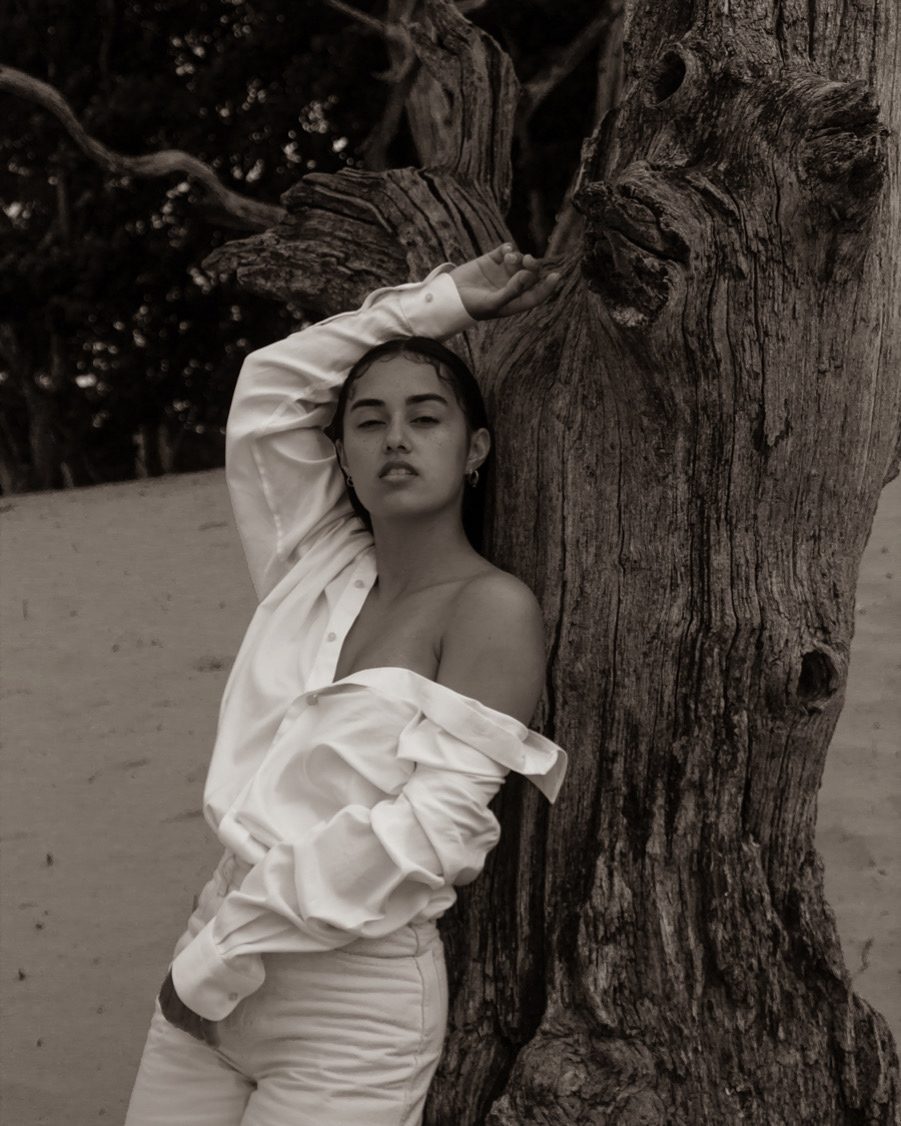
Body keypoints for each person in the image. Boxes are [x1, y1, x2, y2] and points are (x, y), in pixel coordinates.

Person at [124, 243, 570, 1125]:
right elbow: (269, 386)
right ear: (342, 454)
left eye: (425, 418)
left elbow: (435, 833)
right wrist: (443, 302)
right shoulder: (312, 568)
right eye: (368, 421)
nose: (395, 438)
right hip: (212, 949)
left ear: (474, 449)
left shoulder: (489, 608)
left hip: (348, 1004)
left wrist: (225, 951)